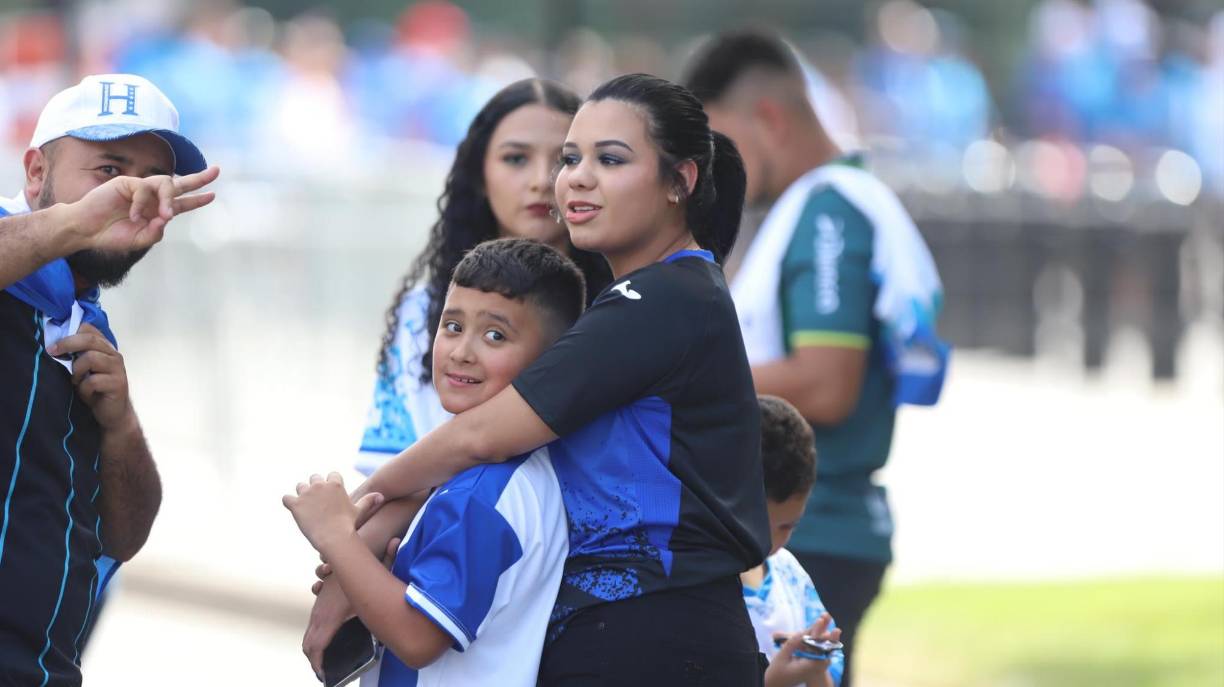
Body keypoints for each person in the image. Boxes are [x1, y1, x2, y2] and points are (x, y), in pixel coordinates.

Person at [340, 73, 771, 685]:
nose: (572, 179)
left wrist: (347, 523)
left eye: (610, 159)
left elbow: (479, 437)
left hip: (655, 637)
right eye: (573, 159)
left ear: (681, 180)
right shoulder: (648, 296)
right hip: (626, 633)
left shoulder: (661, 297)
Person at [303, 77, 612, 667]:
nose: (541, 180)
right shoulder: (422, 312)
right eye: (515, 158)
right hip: (424, 580)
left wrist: (343, 542)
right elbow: (389, 480)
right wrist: (350, 558)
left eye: (564, 159)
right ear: (477, 174)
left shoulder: (615, 316)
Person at [684, 30, 949, 687]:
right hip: (805, 525)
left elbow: (828, 382)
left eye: (718, 146)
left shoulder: (829, 211)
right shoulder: (824, 203)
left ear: (768, 119)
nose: (710, 174)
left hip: (812, 529)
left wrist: (676, 380)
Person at [0, 73, 219, 685]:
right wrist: (75, 223)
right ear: (36, 173)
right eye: (109, 171)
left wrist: (121, 427)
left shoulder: (85, 326)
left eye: (153, 178)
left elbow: (122, 538)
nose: (133, 196)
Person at [286, 239, 581, 686]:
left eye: (495, 335)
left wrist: (337, 537)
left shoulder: (480, 497)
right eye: (453, 326)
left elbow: (418, 638)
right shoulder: (510, 475)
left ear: (550, 362)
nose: (462, 351)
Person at [746, 396, 844, 687]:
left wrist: (815, 671)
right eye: (756, 526)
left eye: (787, 526)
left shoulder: (789, 574)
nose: (770, 543)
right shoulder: (698, 583)